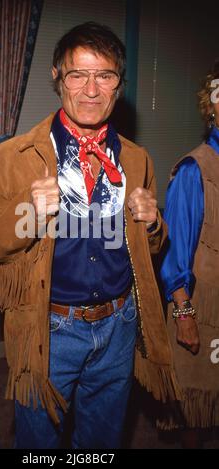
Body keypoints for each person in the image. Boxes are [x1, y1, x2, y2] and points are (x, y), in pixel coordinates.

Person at [0, 22, 179, 449]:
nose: (90, 90)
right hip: (50, 328)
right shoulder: (12, 158)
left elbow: (149, 248)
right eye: (77, 75)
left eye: (105, 76)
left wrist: (154, 222)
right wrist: (27, 210)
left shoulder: (137, 160)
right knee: (38, 443)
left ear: (119, 85)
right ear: (57, 77)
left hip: (120, 326)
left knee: (102, 441)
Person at [160, 61, 219, 448]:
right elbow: (174, 255)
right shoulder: (193, 170)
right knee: (197, 408)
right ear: (211, 106)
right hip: (201, 305)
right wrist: (184, 317)